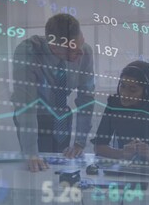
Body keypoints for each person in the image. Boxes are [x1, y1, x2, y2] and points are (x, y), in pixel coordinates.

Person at [11, 14, 95, 172]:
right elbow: (26, 105)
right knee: (36, 168)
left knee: (61, 166)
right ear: (54, 47)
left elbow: (86, 98)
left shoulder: (85, 52)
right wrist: (31, 153)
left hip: (62, 116)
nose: (80, 53)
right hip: (33, 115)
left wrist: (79, 142)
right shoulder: (29, 51)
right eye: (73, 50)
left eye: (81, 44)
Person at [91, 61, 149, 161]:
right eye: (122, 86)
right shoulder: (114, 103)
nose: (124, 94)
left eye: (133, 90)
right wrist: (121, 153)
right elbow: (98, 147)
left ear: (146, 91)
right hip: (126, 168)